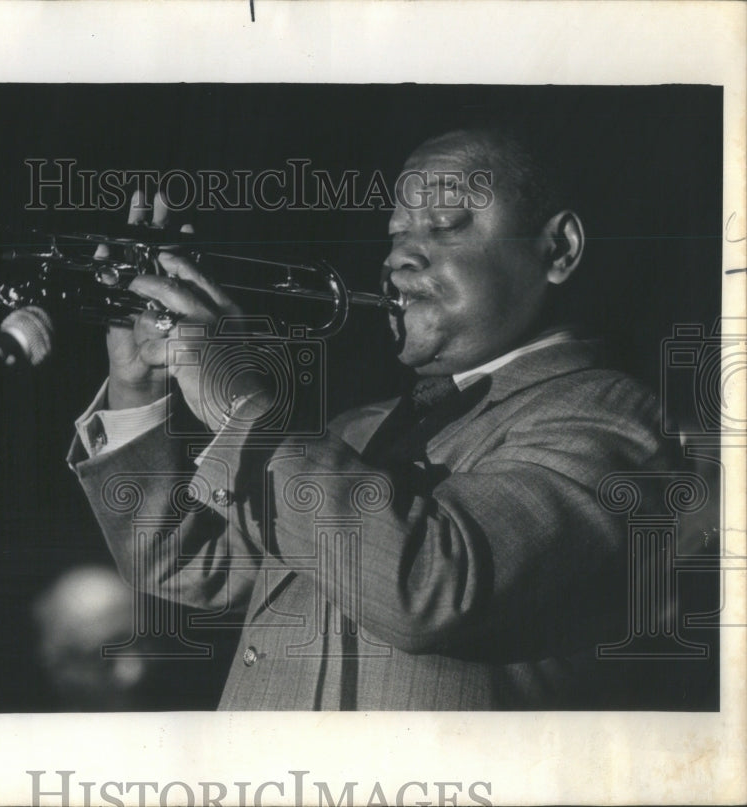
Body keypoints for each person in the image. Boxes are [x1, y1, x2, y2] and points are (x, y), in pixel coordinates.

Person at [66, 122, 673, 709]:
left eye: (446, 224)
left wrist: (237, 402)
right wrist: (137, 385)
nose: (401, 256)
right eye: (394, 233)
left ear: (558, 248)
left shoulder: (614, 420)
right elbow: (181, 564)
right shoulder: (354, 431)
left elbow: (431, 587)